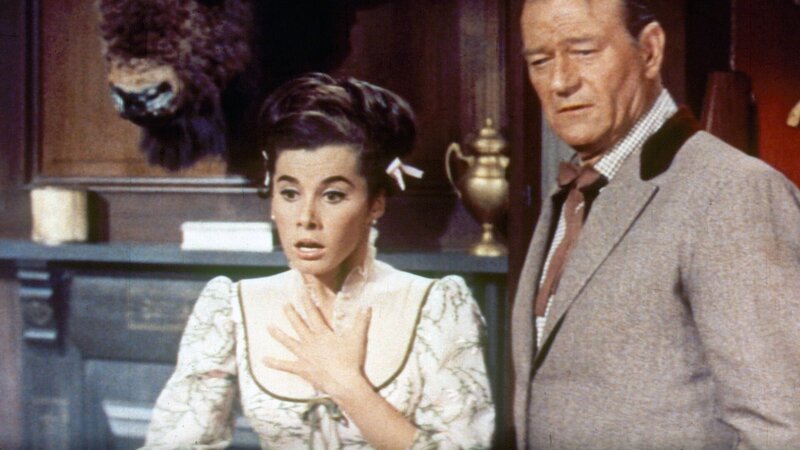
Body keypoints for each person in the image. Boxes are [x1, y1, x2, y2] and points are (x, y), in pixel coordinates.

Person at [143, 73, 495, 449]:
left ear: (375, 203)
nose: (306, 218)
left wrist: (348, 387)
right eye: (290, 193)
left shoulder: (435, 307)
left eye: (333, 196)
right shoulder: (230, 308)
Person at [512, 0, 800, 448]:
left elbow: (781, 429)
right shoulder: (569, 196)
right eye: (540, 61)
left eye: (584, 52)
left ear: (649, 51)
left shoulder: (732, 191)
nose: (560, 81)